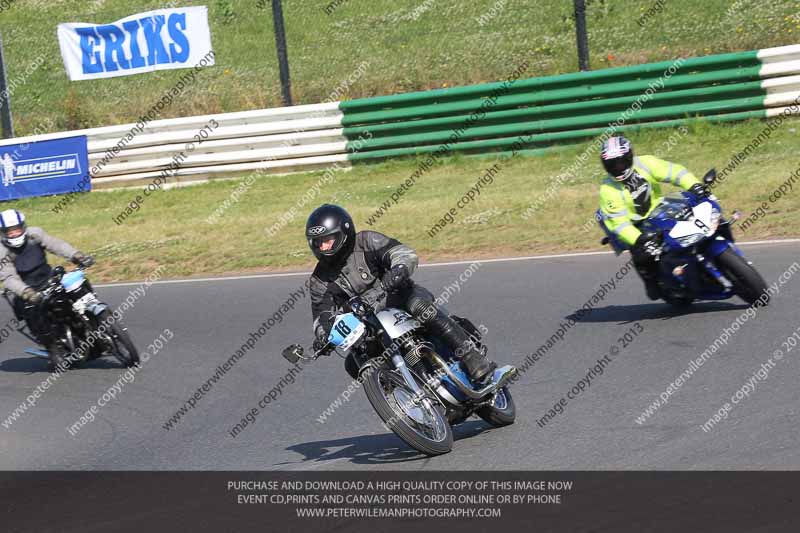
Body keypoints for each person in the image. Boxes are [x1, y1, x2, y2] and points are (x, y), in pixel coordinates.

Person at [306, 204, 499, 383]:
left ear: (344, 234)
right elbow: (321, 316)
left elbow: (402, 253)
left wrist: (399, 269)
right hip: (370, 324)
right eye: (318, 243)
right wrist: (324, 336)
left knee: (421, 307)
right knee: (353, 362)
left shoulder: (366, 241)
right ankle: (400, 399)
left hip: (400, 298)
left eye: (328, 241)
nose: (323, 248)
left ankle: (471, 356)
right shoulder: (319, 280)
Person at [597, 135, 709, 300]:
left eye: (621, 161)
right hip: (637, 225)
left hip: (661, 209)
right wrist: (638, 238)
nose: (618, 167)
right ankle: (650, 281)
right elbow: (620, 224)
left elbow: (674, 172)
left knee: (696, 211)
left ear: (629, 157)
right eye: (612, 164)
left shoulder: (645, 163)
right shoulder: (608, 190)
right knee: (643, 253)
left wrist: (694, 184)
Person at [0, 209, 94, 371]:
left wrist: (76, 255)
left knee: (78, 284)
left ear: (23, 226)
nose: (14, 233)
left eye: (17, 228)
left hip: (48, 278)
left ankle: (95, 316)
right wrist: (26, 293)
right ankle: (53, 349)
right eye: (10, 231)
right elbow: (8, 278)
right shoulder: (2, 251)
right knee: (33, 312)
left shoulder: (35, 234)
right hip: (25, 291)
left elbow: (56, 245)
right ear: (3, 233)